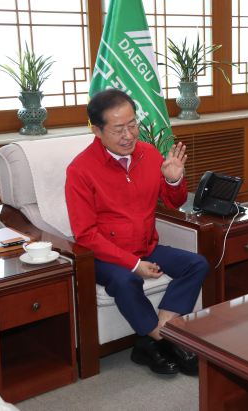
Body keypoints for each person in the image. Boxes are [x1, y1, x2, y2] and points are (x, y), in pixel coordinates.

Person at [65, 89, 209, 375]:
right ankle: (168, 340)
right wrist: (133, 265)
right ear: (97, 130)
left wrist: (174, 179)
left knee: (197, 264)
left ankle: (158, 336)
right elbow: (85, 235)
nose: (129, 135)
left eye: (132, 125)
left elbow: (173, 202)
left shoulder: (149, 153)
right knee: (127, 281)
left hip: (146, 245)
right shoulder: (80, 170)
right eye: (118, 129)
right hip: (104, 256)